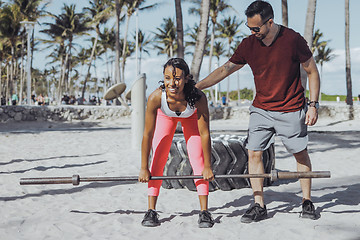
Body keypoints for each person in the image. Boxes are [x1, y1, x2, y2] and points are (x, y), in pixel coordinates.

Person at [196, 0, 320, 223]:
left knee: (299, 153)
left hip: (291, 108)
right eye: (249, 28)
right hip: (261, 109)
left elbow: (312, 71)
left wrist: (313, 105)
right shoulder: (248, 44)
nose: (253, 32)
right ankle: (258, 204)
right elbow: (226, 69)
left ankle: (307, 201)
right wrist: (198, 86)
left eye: (256, 28)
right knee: (253, 152)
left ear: (269, 22)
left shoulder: (293, 40)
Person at [138, 58, 215, 228]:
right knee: (158, 158)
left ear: (187, 78)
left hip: (191, 117)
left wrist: (208, 166)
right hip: (166, 116)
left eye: (177, 78)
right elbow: (147, 134)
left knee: (198, 160)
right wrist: (144, 167)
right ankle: (151, 211)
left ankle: (204, 212)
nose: (172, 83)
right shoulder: (156, 97)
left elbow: (205, 133)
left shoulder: (198, 97)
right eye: (167, 78)